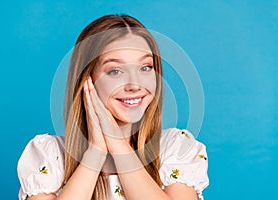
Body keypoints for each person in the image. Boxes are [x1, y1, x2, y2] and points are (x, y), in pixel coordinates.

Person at [17, 14, 209, 200]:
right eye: (115, 71)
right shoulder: (49, 155)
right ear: (87, 81)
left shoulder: (175, 148)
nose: (134, 84)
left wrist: (118, 144)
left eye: (145, 68)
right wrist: (95, 152)